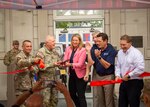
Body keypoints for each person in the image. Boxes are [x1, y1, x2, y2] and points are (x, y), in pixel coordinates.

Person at [84, 32, 117, 107]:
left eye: (99, 41)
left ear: (105, 41)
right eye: (95, 40)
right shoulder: (95, 47)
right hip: (98, 76)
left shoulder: (111, 49)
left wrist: (99, 57)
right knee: (99, 99)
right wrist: (88, 51)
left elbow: (107, 66)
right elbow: (91, 62)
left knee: (109, 100)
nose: (96, 42)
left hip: (108, 76)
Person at [115, 34, 144, 107]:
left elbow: (140, 68)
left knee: (133, 103)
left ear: (130, 43)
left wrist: (129, 75)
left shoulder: (136, 53)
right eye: (121, 44)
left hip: (135, 82)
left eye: (124, 45)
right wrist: (117, 75)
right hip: (124, 82)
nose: (122, 47)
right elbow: (118, 66)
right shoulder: (120, 52)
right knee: (122, 103)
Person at [35, 35, 61, 107]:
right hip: (45, 82)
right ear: (47, 42)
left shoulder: (55, 52)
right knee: (45, 102)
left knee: (54, 100)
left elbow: (59, 62)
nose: (54, 43)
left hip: (54, 80)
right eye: (53, 41)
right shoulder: (41, 52)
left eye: (54, 41)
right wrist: (52, 64)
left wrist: (61, 64)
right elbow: (40, 67)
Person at [63, 33, 87, 107]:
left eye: (76, 40)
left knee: (81, 95)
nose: (74, 42)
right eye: (73, 40)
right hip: (72, 74)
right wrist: (64, 62)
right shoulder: (68, 48)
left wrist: (70, 64)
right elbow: (65, 59)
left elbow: (80, 64)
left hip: (80, 75)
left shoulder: (83, 50)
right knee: (72, 94)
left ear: (79, 41)